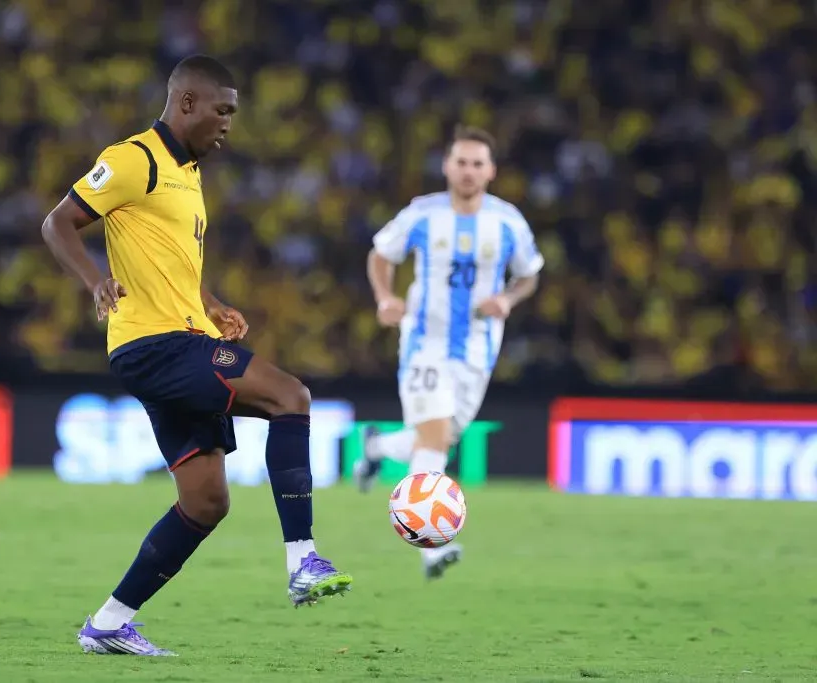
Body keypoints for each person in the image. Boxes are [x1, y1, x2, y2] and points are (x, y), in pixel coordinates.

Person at [41, 54, 352, 657]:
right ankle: (303, 561)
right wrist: (94, 282)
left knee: (207, 500)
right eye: (223, 110)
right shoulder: (134, 159)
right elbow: (58, 222)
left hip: (181, 334)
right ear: (187, 103)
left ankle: (108, 623)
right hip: (154, 344)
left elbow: (172, 264)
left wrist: (210, 304)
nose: (228, 123)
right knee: (292, 396)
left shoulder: (188, 175)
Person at [354, 125, 543, 579]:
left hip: (477, 350)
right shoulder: (423, 214)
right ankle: (431, 546)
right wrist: (385, 298)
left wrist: (507, 300)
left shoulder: (508, 222)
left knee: (438, 439)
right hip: (424, 343)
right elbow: (381, 255)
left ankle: (377, 446)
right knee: (435, 438)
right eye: (461, 162)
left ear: (491, 170)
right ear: (446, 166)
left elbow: (529, 274)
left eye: (477, 163)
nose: (468, 171)